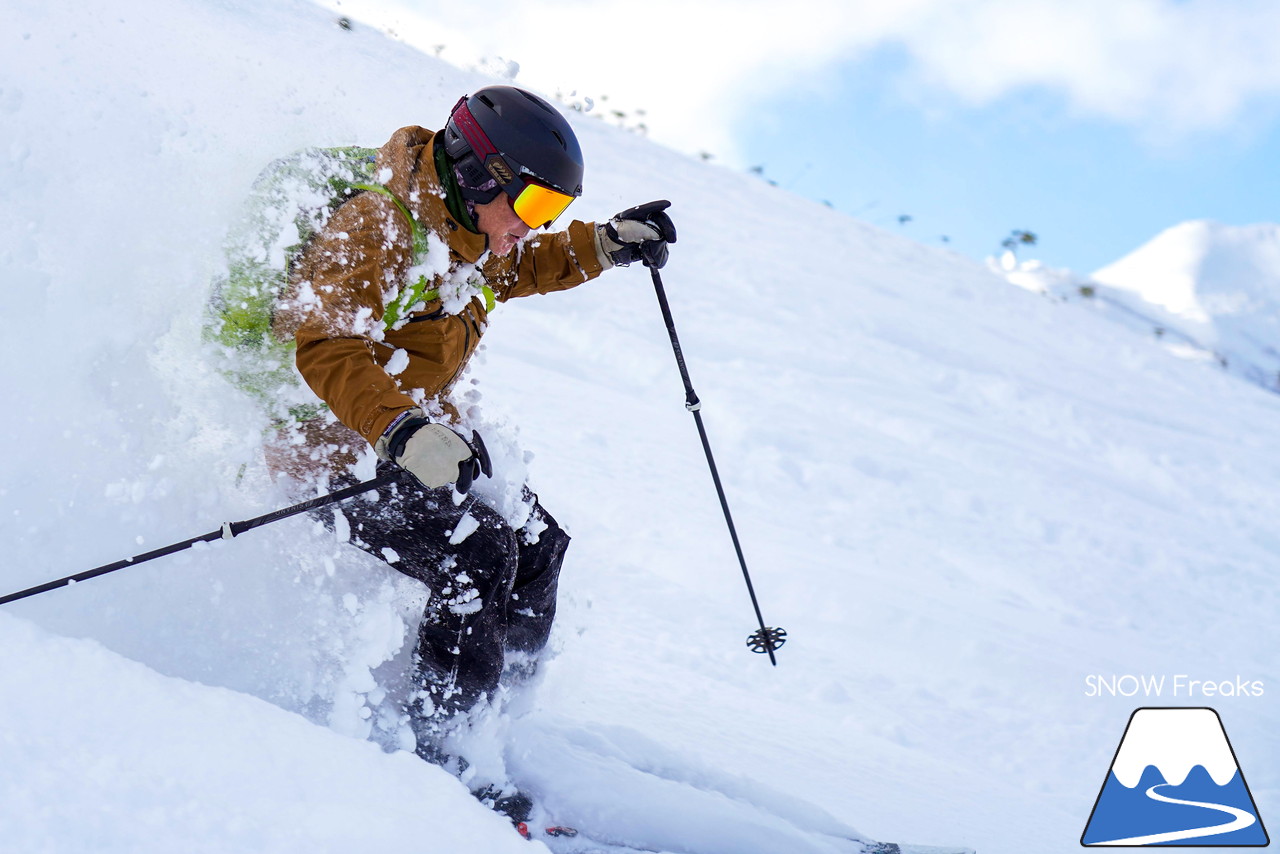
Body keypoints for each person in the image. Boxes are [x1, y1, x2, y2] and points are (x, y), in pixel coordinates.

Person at [268, 86, 676, 781]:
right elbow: (325, 343)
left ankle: (501, 718)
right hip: (325, 446)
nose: (536, 225)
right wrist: (403, 431)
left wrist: (605, 245)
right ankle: (448, 762)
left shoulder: (466, 228)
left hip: (414, 438)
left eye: (554, 209)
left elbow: (522, 267)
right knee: (477, 558)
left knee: (540, 546)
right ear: (479, 174)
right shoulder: (377, 226)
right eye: (535, 206)